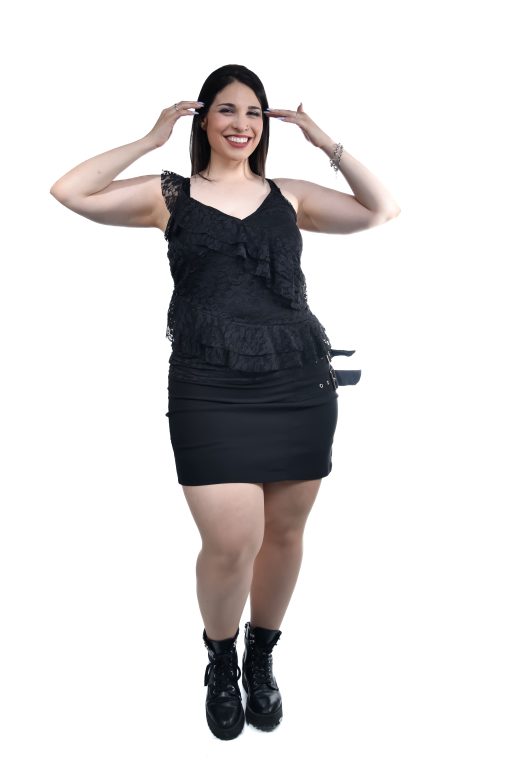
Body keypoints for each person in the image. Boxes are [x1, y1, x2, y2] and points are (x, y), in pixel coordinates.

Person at [50, 63, 400, 741]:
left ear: (266, 124)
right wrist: (150, 138)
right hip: (208, 385)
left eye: (254, 112)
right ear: (203, 119)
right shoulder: (170, 195)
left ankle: (262, 657)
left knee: (286, 534)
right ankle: (220, 659)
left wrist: (325, 141)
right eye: (227, 110)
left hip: (297, 381)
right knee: (233, 541)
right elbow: (70, 190)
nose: (242, 123)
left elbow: (379, 208)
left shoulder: (289, 195)